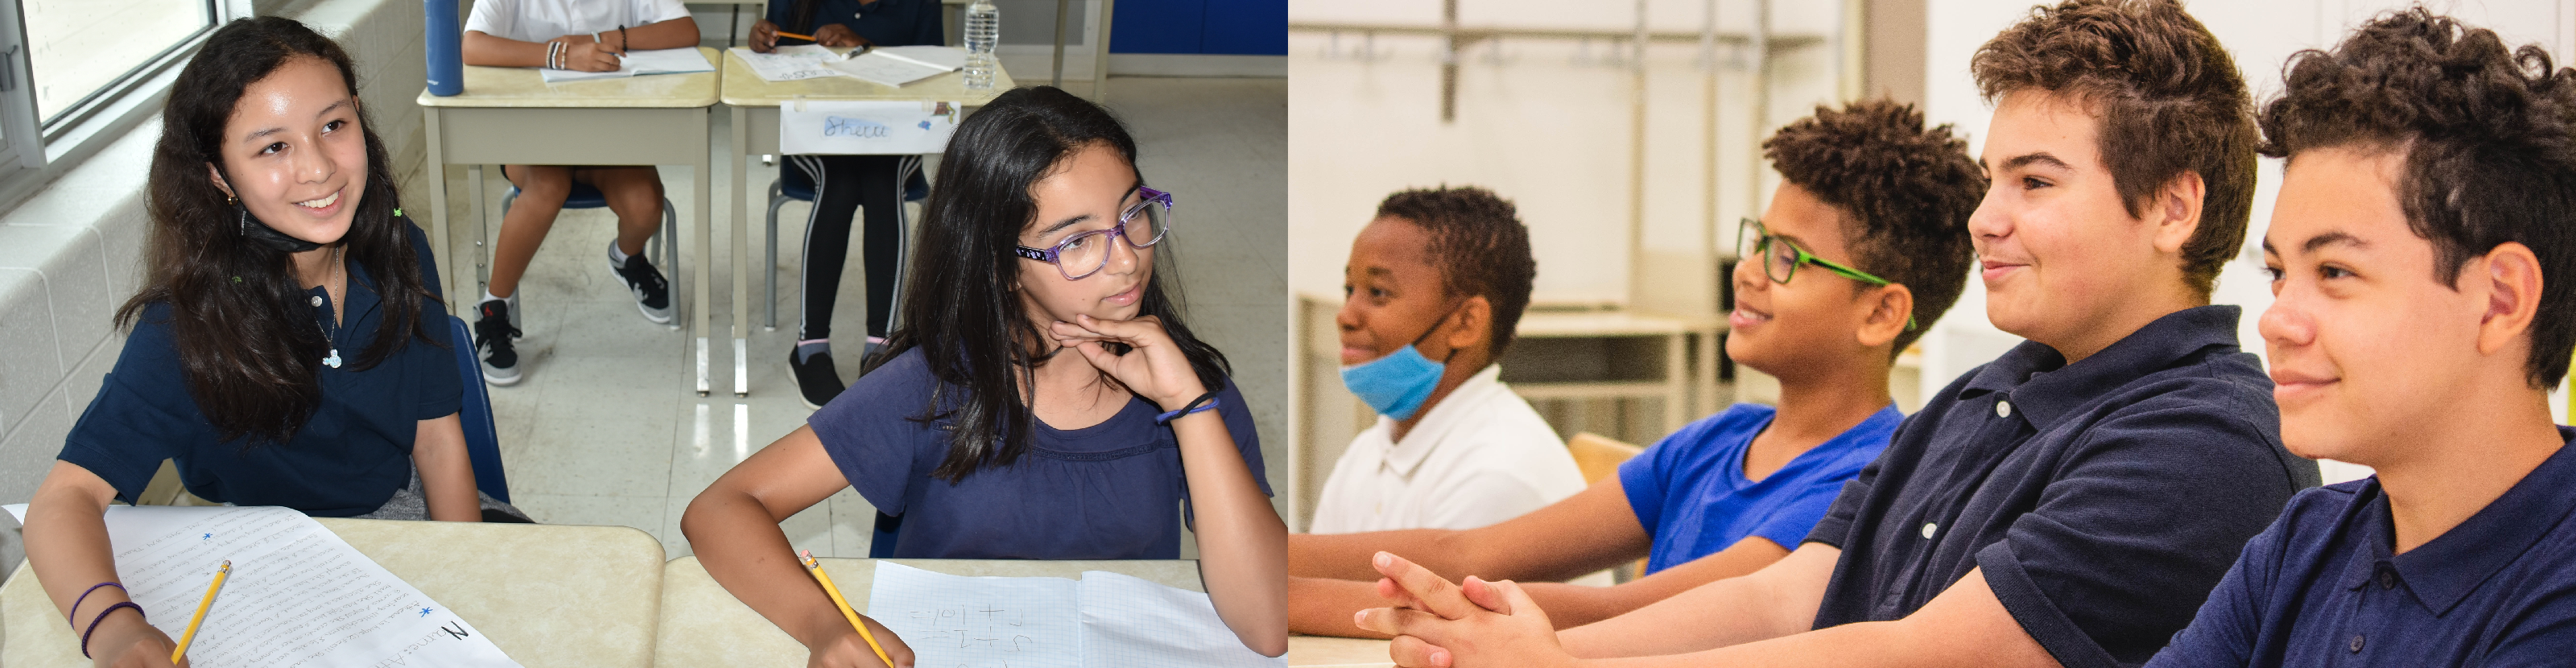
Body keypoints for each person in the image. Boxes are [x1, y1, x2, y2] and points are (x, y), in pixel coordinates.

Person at [1349, 2, 2318, 666]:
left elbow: (1918, 653)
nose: (1986, 219)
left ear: (2171, 207)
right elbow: (1790, 596)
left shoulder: (2203, 440)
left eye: (2033, 181)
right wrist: (1543, 647)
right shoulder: (1983, 397)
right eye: (1991, 181)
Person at [1289, 100, 1984, 637]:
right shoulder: (1717, 441)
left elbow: (1625, 614)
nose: (1747, 273)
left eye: (1787, 259)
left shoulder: (1866, 481)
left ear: (1881, 314)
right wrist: (1268, 558)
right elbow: (1475, 549)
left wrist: (1286, 593)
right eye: (1757, 242)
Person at [681, 86, 1287, 665]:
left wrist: (1189, 406)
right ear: (998, 264)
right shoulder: (932, 384)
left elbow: (1266, 624)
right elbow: (721, 510)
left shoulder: (1192, 388)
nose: (1127, 257)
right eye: (1075, 241)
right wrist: (826, 625)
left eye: (1132, 213)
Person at [20, 17, 522, 667]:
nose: (317, 168)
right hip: (263, 566)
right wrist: (113, 627)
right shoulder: (187, 324)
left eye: (333, 126)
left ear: (359, 120)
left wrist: (464, 578)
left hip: (406, 523)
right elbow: (63, 500)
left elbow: (436, 436)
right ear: (219, 175)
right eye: (272, 148)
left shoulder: (400, 249)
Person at [2146, 10, 2576, 666]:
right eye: (2280, 274)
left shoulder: (2558, 597)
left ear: (2500, 300)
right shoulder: (2302, 543)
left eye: (2336, 272)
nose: (2277, 319)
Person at [1307, 187, 1585, 536]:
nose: (1345, 316)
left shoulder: (1496, 472)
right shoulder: (1369, 452)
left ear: (1465, 323)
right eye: (1350, 290)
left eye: (1378, 293)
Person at [459, 0, 700, 386]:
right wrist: (561, 55)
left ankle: (627, 259)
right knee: (549, 185)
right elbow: (472, 46)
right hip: (533, 131)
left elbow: (686, 31)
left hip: (608, 134)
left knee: (645, 206)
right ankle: (493, 308)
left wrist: (597, 40)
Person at [746, 0, 945, 408]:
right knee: (837, 184)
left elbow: (936, 67)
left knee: (882, 180)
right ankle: (809, 347)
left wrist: (866, 47)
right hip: (816, 131)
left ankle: (882, 345)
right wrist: (761, 40)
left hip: (892, 134)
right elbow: (773, 53)